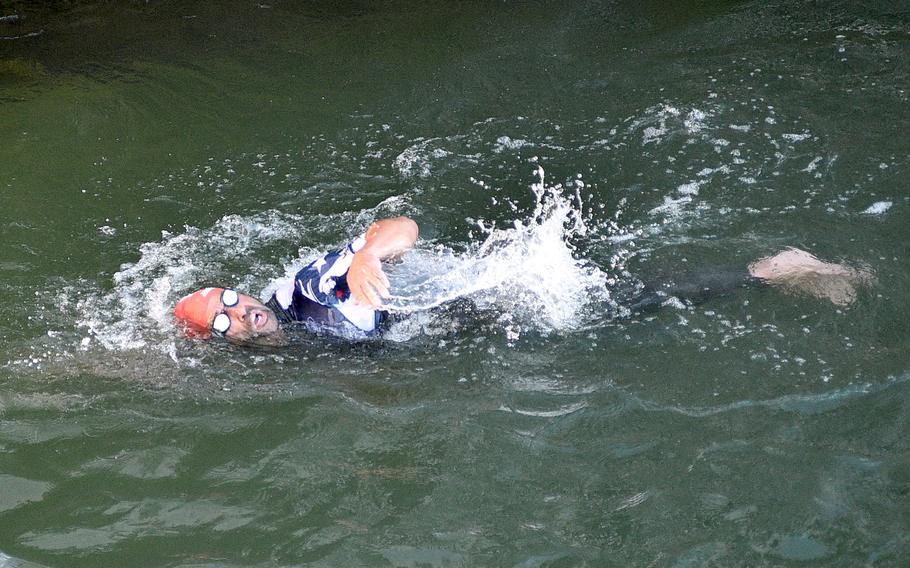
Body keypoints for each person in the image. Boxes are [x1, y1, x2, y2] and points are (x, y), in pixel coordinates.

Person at [173, 216, 871, 346]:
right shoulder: (290, 354)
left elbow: (404, 226)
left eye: (230, 295)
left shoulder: (306, 291)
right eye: (224, 316)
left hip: (477, 304)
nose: (242, 310)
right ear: (220, 341)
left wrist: (367, 256)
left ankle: (772, 271)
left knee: (611, 309)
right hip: (447, 330)